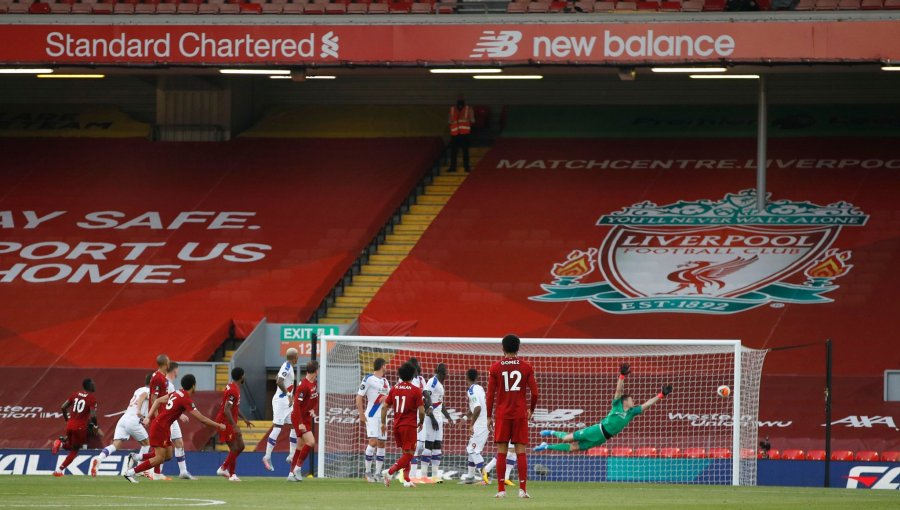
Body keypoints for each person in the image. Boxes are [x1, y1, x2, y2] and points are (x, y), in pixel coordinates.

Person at [535, 363, 672, 453]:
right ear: (625, 401)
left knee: (573, 448)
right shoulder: (617, 404)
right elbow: (619, 391)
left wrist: (661, 395)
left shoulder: (632, 412)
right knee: (567, 439)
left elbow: (646, 405)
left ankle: (546, 446)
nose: (633, 401)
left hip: (604, 437)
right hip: (597, 429)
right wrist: (622, 376)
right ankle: (551, 432)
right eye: (631, 399)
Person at [124, 374, 225, 483]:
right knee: (159, 458)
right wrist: (218, 425)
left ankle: (136, 457)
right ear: (193, 386)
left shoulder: (177, 392)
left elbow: (157, 401)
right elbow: (202, 419)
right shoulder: (185, 398)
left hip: (163, 427)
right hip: (160, 427)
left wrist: (149, 417)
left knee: (168, 455)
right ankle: (130, 473)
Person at [486, 334, 539, 499]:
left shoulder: (495, 368)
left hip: (502, 414)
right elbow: (535, 393)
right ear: (518, 348)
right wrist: (531, 409)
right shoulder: (526, 367)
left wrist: (488, 416)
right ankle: (523, 490)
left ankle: (501, 489)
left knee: (501, 451)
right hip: (519, 414)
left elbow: (490, 395)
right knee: (520, 451)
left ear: (503, 349)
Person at [90, 374, 152, 477]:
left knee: (116, 445)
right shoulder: (148, 391)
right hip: (133, 420)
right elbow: (143, 396)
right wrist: (139, 412)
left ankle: (99, 458)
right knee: (146, 444)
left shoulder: (138, 389)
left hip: (124, 418)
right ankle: (140, 469)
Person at [380, 362, 425, 488]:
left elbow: (384, 408)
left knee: (406, 452)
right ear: (412, 375)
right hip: (409, 426)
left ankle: (406, 480)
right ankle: (389, 472)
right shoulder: (416, 390)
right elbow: (421, 411)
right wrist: (421, 422)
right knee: (410, 453)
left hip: (397, 426)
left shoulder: (394, 388)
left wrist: (383, 423)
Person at [51, 378, 99, 477]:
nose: (94, 386)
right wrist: (95, 426)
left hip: (70, 425)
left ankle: (60, 444)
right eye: (93, 384)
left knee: (72, 446)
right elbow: (93, 415)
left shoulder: (75, 394)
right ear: (88, 386)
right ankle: (59, 471)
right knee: (75, 450)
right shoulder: (91, 398)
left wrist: (67, 420)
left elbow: (63, 407)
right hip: (80, 427)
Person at [263, 348, 298, 471]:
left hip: (286, 402)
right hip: (281, 401)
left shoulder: (286, 366)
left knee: (294, 424)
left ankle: (292, 455)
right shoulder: (287, 366)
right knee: (277, 427)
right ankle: (267, 456)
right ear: (295, 358)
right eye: (297, 356)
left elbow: (279, 377)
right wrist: (288, 394)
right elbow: (279, 381)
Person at [216, 367, 253, 482]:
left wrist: (244, 419)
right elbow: (227, 409)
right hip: (225, 422)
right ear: (242, 376)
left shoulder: (233, 387)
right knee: (235, 447)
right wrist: (234, 425)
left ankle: (225, 467)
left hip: (229, 421)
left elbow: (233, 407)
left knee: (240, 446)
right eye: (244, 375)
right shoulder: (233, 390)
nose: (245, 377)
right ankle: (230, 473)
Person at [356, 357, 390, 483]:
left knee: (381, 443)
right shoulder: (368, 378)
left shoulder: (386, 382)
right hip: (371, 414)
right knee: (373, 442)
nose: (386, 368)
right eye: (385, 365)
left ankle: (378, 474)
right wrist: (361, 414)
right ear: (382, 366)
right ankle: (367, 472)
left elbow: (389, 401)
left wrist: (386, 400)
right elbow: (359, 397)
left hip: (382, 416)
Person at [162, 362, 196, 480]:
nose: (178, 372)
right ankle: (154, 470)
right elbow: (165, 402)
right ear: (175, 370)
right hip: (167, 418)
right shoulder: (168, 384)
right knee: (164, 447)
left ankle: (183, 472)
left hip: (173, 418)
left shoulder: (168, 383)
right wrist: (180, 415)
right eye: (178, 369)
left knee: (179, 443)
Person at [422, 363, 454, 483]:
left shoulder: (440, 385)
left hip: (439, 418)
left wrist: (448, 417)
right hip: (431, 418)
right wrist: (432, 418)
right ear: (442, 373)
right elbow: (425, 397)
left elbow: (440, 403)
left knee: (437, 446)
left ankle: (435, 476)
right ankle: (424, 476)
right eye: (446, 372)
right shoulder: (433, 382)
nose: (447, 374)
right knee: (428, 445)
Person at [287, 360, 319, 482]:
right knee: (311, 442)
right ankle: (297, 468)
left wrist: (312, 409)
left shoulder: (314, 383)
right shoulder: (303, 386)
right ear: (316, 371)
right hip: (298, 418)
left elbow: (314, 397)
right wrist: (300, 423)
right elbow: (296, 406)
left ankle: (291, 474)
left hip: (305, 417)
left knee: (300, 446)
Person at [404, 357, 430, 482]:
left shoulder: (421, 379)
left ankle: (410, 472)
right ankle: (411, 475)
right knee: (414, 445)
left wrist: (428, 405)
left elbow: (426, 393)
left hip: (420, 413)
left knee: (421, 446)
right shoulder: (404, 379)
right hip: (409, 414)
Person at [460, 368, 488, 484]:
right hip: (483, 423)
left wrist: (471, 425)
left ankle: (485, 477)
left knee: (472, 450)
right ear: (476, 378)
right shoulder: (479, 388)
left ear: (466, 377)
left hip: (480, 425)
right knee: (471, 448)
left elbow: (478, 408)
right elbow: (474, 407)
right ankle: (471, 477)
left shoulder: (471, 391)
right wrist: (466, 417)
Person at [448, 95, 475, 173]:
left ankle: (466, 167)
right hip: (455, 133)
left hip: (464, 133)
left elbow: (472, 120)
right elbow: (449, 120)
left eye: (461, 99)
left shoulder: (468, 109)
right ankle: (453, 167)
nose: (460, 100)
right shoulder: (452, 109)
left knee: (465, 151)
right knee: (454, 151)